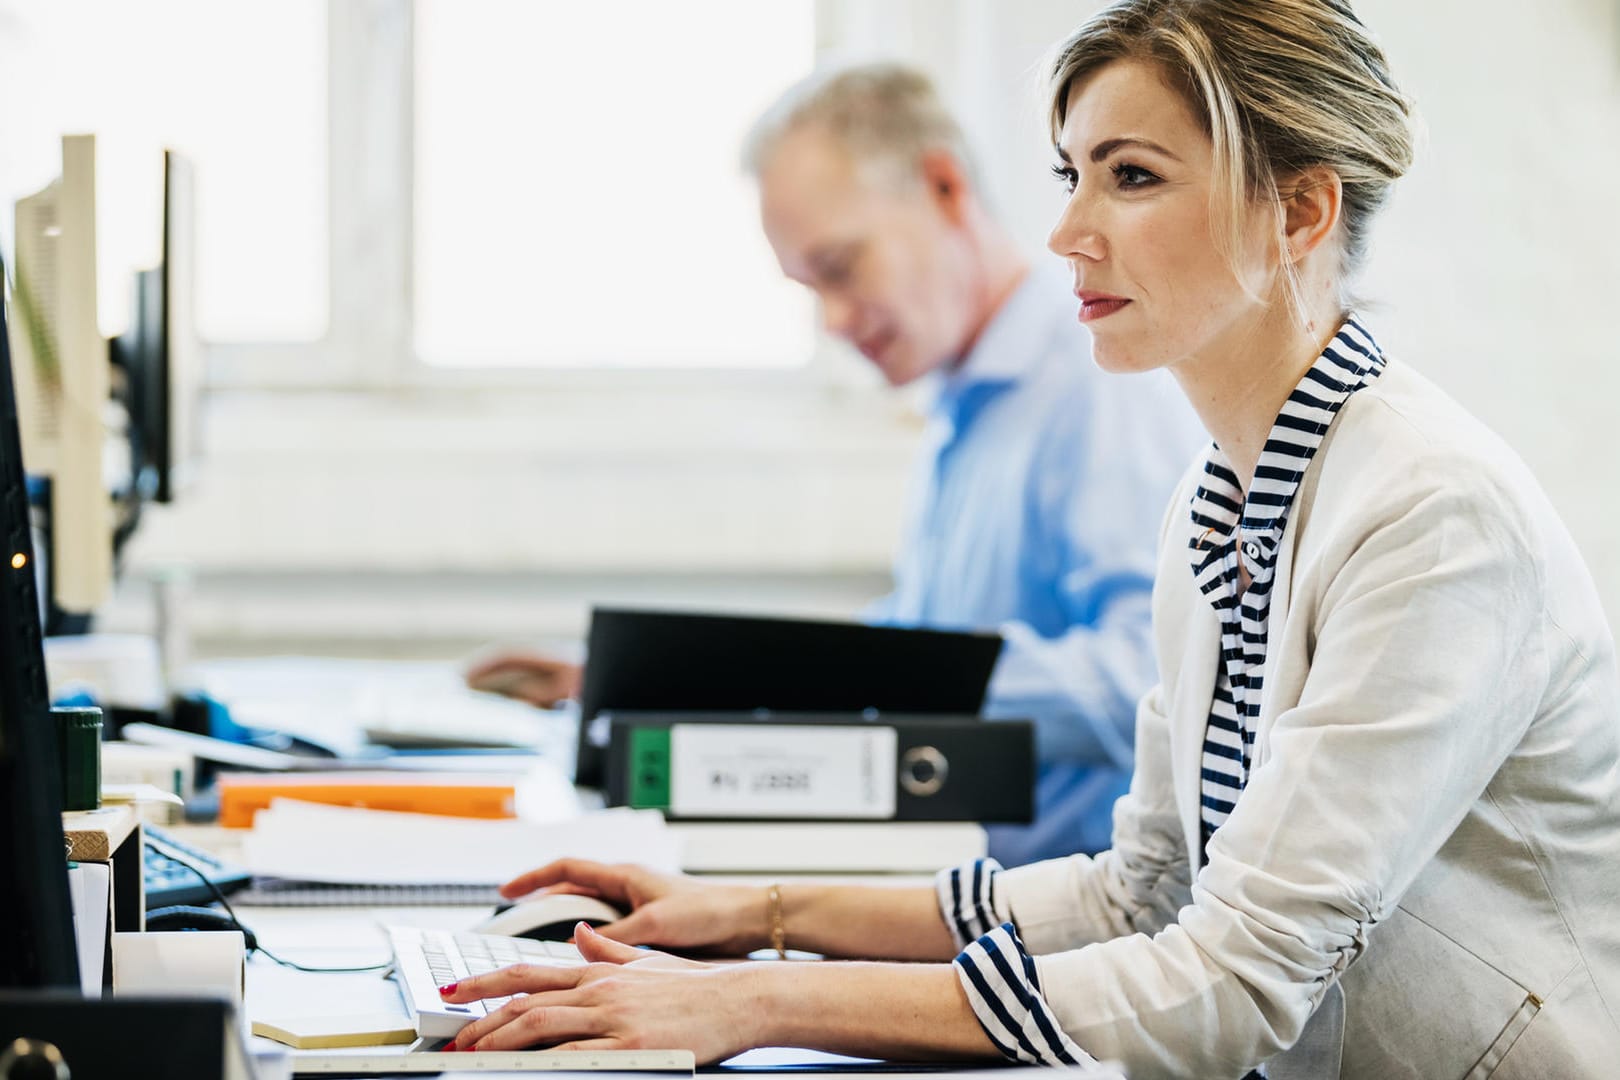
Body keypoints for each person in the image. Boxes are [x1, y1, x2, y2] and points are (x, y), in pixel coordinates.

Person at [435, 1, 1620, 1074]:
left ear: (1301, 210)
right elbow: (1138, 894)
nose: (1066, 231)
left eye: (1133, 177)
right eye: (1071, 174)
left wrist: (753, 1003)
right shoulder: (1223, 493)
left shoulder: (1434, 515)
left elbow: (1232, 980)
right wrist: (747, 912)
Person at [469, 63, 1203, 865]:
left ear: (943, 187)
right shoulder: (967, 400)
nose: (835, 320)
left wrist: (903, 687)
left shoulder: (1097, 385)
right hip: (942, 887)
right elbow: (917, 640)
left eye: (842, 267)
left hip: (1051, 923)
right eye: (807, 287)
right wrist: (659, 685)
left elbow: (1151, 678)